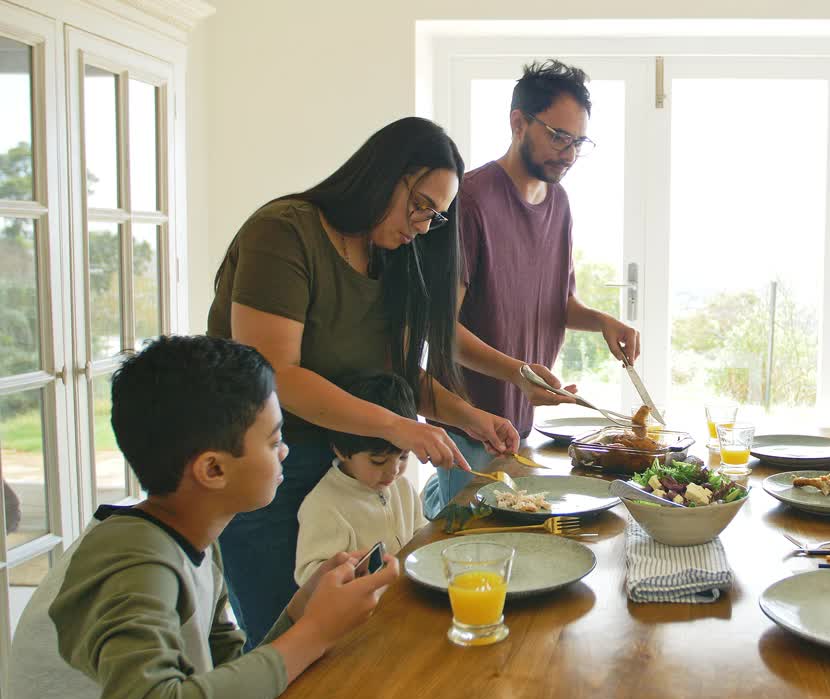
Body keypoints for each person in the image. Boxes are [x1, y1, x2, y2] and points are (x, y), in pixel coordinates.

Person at [207, 117, 519, 646]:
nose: (423, 225)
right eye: (419, 204)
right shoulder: (284, 231)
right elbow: (275, 374)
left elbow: (399, 373)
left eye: (435, 217)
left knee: (362, 644)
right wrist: (399, 428)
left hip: (350, 466)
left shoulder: (391, 256)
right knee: (284, 648)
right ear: (381, 174)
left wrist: (473, 418)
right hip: (265, 469)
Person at [6, 335, 399, 699]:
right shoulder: (131, 562)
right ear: (213, 469)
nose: (285, 451)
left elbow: (222, 681)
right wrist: (314, 632)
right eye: (274, 440)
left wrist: (300, 615)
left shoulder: (192, 532)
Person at [425, 60, 639, 518]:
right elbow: (441, 334)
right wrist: (521, 373)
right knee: (473, 553)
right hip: (468, 427)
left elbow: (557, 303)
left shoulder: (558, 203)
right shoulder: (471, 201)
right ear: (518, 122)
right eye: (558, 136)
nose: (568, 153)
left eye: (578, 141)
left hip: (517, 426)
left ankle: (436, 503)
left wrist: (602, 320)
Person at [295, 372, 427, 585]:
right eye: (378, 461)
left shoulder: (401, 486)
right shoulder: (324, 505)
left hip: (405, 595)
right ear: (341, 451)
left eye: (403, 456)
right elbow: (309, 577)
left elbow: (420, 532)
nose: (394, 471)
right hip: (364, 611)